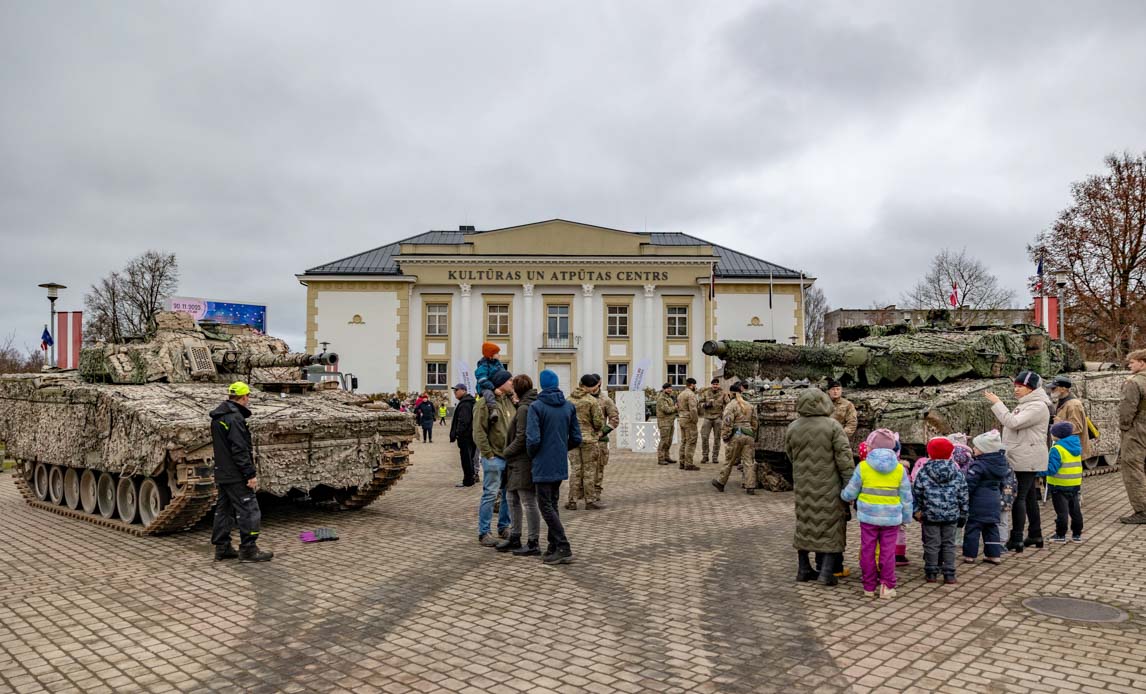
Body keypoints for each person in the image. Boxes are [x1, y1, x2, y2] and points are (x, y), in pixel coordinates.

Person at [786, 388, 854, 587]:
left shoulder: (793, 427)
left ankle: (804, 568)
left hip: (803, 484)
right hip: (829, 486)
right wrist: (850, 485)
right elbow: (845, 460)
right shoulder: (833, 426)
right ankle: (826, 572)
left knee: (805, 522)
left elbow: (789, 455)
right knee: (831, 525)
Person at [986, 370, 1052, 553]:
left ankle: (1016, 539)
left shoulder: (1037, 406)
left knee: (1018, 498)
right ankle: (1035, 534)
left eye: (1020, 386)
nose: (1016, 389)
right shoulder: (1028, 404)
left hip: (1025, 457)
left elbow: (1013, 423)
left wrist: (998, 404)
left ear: (1031, 388)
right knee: (1030, 496)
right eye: (1015, 386)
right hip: (1023, 455)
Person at [210, 382, 272, 562]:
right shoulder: (235, 418)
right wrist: (250, 474)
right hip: (236, 474)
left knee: (224, 510)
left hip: (222, 472)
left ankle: (222, 547)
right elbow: (240, 449)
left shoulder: (218, 417)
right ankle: (249, 550)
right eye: (248, 397)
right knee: (249, 510)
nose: (248, 400)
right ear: (244, 397)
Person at [526, 369, 582, 565]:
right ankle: (553, 546)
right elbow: (576, 437)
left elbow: (533, 439)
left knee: (545, 506)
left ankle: (563, 545)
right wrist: (561, 449)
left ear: (542, 385)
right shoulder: (568, 406)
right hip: (559, 462)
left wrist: (534, 455)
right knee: (553, 503)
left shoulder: (536, 407)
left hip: (542, 463)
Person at [842, 447, 913, 597]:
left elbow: (851, 491)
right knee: (888, 552)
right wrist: (906, 517)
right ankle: (887, 586)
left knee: (868, 550)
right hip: (891, 518)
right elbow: (906, 497)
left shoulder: (863, 467)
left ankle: (868, 587)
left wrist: (844, 496)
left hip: (868, 517)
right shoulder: (899, 469)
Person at [910, 438, 967, 586]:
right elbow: (963, 494)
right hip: (951, 514)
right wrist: (963, 513)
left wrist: (918, 511)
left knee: (931, 544)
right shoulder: (957, 472)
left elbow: (917, 492)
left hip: (930, 514)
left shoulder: (923, 472)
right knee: (949, 544)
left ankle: (931, 572)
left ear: (930, 453)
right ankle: (949, 574)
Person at [499, 375, 541, 555]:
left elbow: (522, 437)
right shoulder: (524, 405)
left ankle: (533, 542)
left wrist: (506, 451)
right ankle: (515, 536)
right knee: (511, 499)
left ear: (518, 389)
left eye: (513, 386)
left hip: (521, 461)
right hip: (515, 462)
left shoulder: (525, 408)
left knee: (527, 501)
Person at [473, 369, 514, 546]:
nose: (512, 382)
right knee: (490, 494)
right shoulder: (484, 404)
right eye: (509, 380)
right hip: (494, 458)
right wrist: (488, 455)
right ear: (501, 383)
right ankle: (484, 532)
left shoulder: (509, 402)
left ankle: (504, 527)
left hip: (509, 457)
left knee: (507, 495)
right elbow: (479, 432)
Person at [962, 430, 1008, 564]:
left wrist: (964, 496)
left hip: (978, 502)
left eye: (976, 447)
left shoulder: (978, 465)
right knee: (992, 528)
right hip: (994, 500)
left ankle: (970, 555)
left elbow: (970, 484)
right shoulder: (1000, 464)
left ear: (985, 450)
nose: (974, 449)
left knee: (973, 528)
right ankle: (994, 555)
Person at [711, 383, 758, 494]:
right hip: (749, 435)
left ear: (731, 393)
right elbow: (755, 422)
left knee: (729, 460)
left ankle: (721, 482)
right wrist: (752, 432)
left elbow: (727, 422)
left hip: (736, 435)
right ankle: (750, 486)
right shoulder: (749, 405)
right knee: (748, 461)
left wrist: (725, 436)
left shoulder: (731, 405)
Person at [567, 374, 605, 510]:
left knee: (575, 470)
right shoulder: (591, 401)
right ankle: (589, 501)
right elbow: (598, 422)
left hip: (572, 439)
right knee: (589, 470)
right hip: (589, 439)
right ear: (591, 387)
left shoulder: (568, 400)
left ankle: (572, 501)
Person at [1043, 421, 1084, 542]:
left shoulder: (1057, 449)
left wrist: (1038, 471)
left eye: (1052, 433)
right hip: (1074, 484)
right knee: (1075, 510)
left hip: (1059, 485)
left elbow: (1051, 469)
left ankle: (1060, 535)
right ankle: (1077, 534)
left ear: (1057, 435)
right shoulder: (1076, 447)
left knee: (1062, 512)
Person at [1118, 349, 1146, 524]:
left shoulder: (1134, 382)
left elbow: (1127, 409)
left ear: (1142, 363)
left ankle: (1142, 510)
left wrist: (1124, 427)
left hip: (1137, 428)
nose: (1129, 365)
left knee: (1132, 468)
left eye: (1132, 362)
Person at [591, 378, 620, 502]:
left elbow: (614, 419)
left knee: (598, 467)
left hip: (600, 440)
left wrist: (603, 432)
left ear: (599, 384)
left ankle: (596, 491)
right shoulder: (582, 399)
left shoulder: (606, 400)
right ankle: (582, 491)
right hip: (584, 440)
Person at [1052, 375, 1092, 461]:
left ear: (1063, 389)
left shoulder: (1073, 405)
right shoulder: (1061, 401)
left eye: (1054, 388)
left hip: (1071, 448)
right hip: (1065, 446)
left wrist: (1060, 423)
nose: (1051, 390)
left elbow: (1077, 427)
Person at [449, 384, 478, 487]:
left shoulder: (465, 404)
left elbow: (464, 421)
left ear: (463, 391)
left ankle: (468, 480)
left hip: (466, 436)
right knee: (470, 457)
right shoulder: (468, 402)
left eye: (456, 390)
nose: (455, 392)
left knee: (466, 459)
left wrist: (458, 433)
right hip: (471, 435)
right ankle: (471, 477)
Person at [699, 377, 728, 465]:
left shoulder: (723, 393)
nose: (715, 386)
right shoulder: (706, 393)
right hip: (707, 417)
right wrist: (706, 404)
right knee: (704, 437)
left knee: (717, 438)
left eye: (716, 384)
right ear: (711, 385)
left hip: (718, 417)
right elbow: (699, 404)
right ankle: (705, 456)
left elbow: (728, 404)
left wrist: (725, 413)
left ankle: (715, 457)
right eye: (713, 384)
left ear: (718, 385)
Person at [475, 342, 506, 424]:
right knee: (489, 394)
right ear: (490, 355)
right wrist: (494, 389)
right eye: (497, 353)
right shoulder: (483, 366)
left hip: (496, 385)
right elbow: (482, 380)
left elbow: (503, 373)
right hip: (485, 387)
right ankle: (493, 410)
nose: (499, 355)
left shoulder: (498, 364)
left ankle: (514, 400)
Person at [676, 378, 700, 470]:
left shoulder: (681, 394)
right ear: (692, 385)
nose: (695, 387)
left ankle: (682, 462)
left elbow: (678, 407)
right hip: (689, 420)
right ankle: (688, 463)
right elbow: (693, 409)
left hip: (681, 418)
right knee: (691, 441)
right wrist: (695, 420)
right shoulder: (691, 394)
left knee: (684, 441)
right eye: (695, 385)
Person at [655, 383, 679, 466]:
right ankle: (661, 458)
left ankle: (666, 457)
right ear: (664, 389)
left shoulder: (669, 397)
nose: (670, 389)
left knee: (669, 441)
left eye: (670, 388)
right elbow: (666, 410)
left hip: (670, 422)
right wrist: (676, 408)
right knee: (664, 440)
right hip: (664, 422)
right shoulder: (662, 398)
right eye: (668, 388)